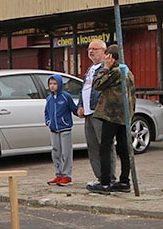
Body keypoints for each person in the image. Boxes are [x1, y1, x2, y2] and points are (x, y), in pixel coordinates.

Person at [87, 44, 137, 194]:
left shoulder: (115, 72)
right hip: (124, 116)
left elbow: (97, 84)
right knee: (123, 148)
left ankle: (104, 182)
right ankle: (124, 181)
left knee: (105, 147)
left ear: (110, 57)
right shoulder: (128, 71)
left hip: (112, 115)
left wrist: (106, 67)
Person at [76, 39, 116, 185]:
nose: (91, 52)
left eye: (95, 49)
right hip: (88, 113)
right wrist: (80, 105)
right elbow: (84, 89)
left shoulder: (106, 69)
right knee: (92, 147)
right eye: (89, 49)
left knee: (105, 146)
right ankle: (100, 176)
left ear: (104, 51)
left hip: (100, 113)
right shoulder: (90, 69)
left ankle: (109, 177)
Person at [44, 74, 78, 186]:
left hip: (65, 128)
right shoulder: (49, 99)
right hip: (54, 129)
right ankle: (59, 174)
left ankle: (67, 176)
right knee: (56, 152)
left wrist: (81, 112)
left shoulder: (65, 97)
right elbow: (47, 112)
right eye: (50, 84)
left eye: (55, 84)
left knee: (66, 152)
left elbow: (74, 109)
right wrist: (48, 122)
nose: (52, 86)